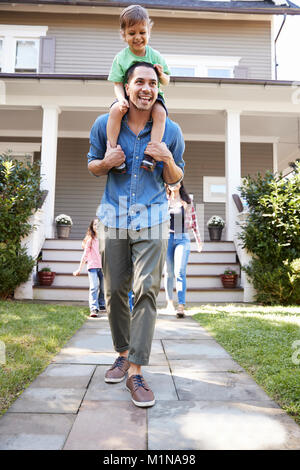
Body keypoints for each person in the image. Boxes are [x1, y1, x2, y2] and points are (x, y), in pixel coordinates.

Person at [87, 62, 185, 408]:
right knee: (114, 291)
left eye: (153, 83)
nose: (146, 88)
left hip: (154, 217)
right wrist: (106, 161)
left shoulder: (170, 130)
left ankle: (136, 371)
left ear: (159, 88)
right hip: (113, 216)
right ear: (126, 87)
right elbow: (92, 164)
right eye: (139, 82)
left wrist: (167, 158)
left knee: (146, 291)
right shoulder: (105, 125)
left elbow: (174, 179)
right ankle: (123, 353)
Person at [107, 4, 170, 172]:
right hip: (128, 96)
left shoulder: (155, 55)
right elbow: (117, 83)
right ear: (123, 35)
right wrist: (121, 100)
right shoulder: (121, 58)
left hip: (153, 98)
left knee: (160, 113)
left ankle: (151, 154)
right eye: (132, 33)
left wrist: (161, 74)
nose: (137, 37)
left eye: (142, 32)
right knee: (114, 111)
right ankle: (112, 150)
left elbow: (166, 80)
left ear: (148, 32)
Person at [164, 182, 202, 318]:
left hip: (182, 238)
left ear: (180, 184)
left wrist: (198, 240)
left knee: (179, 271)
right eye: (170, 183)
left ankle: (181, 305)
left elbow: (194, 220)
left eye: (176, 182)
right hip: (167, 238)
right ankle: (169, 302)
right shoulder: (164, 200)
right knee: (168, 272)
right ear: (167, 186)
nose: (173, 184)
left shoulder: (186, 201)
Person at [73, 218, 106, 318]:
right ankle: (93, 308)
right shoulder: (90, 240)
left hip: (103, 267)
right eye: (95, 225)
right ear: (92, 227)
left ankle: (101, 303)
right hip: (92, 267)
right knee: (94, 287)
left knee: (103, 288)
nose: (97, 226)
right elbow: (85, 255)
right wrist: (79, 269)